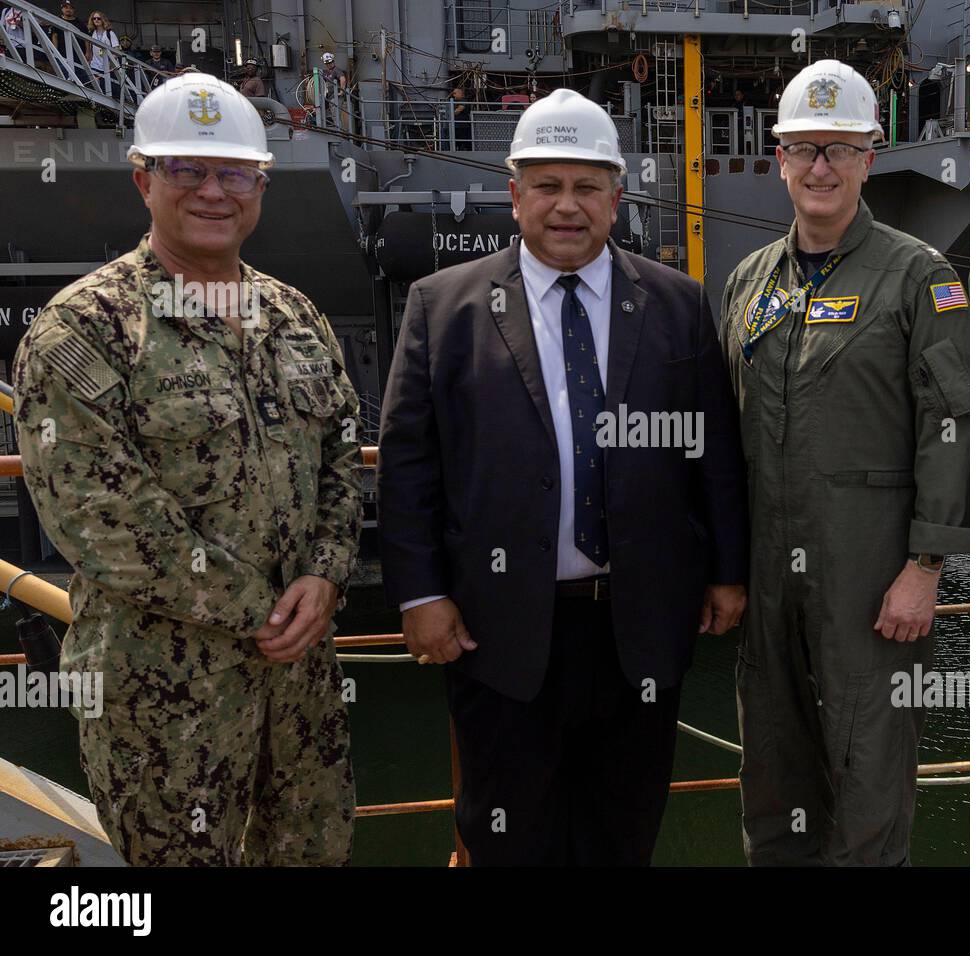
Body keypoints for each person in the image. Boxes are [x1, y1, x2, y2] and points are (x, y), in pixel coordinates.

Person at [378, 87, 749, 866]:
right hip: (500, 631)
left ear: (617, 198)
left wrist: (725, 572)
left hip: (638, 629)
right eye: (548, 185)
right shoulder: (442, 308)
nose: (567, 206)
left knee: (623, 835)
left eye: (587, 187)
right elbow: (409, 461)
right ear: (515, 195)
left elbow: (712, 451)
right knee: (510, 838)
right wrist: (419, 593)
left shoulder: (679, 305)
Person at [12, 73, 363, 866]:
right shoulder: (86, 328)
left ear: (260, 187)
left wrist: (330, 570)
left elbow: (343, 451)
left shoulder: (294, 315)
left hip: (301, 688)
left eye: (234, 173)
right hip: (165, 701)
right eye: (187, 171)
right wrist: (265, 611)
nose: (214, 191)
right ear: (144, 180)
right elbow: (100, 518)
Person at [718, 59, 970, 866]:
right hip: (769, 580)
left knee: (869, 781)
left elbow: (956, 424)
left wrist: (926, 567)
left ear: (871, 158)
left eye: (840, 149)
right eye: (804, 149)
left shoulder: (919, 278)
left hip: (873, 582)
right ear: (779, 159)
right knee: (772, 772)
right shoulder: (748, 283)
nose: (820, 168)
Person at [84, 10, 118, 99]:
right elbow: (91, 49)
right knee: (96, 86)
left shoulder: (109, 33)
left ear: (103, 19)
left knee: (109, 88)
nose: (96, 20)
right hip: (95, 63)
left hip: (108, 66)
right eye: (94, 18)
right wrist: (89, 59)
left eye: (98, 18)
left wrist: (112, 62)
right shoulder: (92, 33)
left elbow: (116, 49)